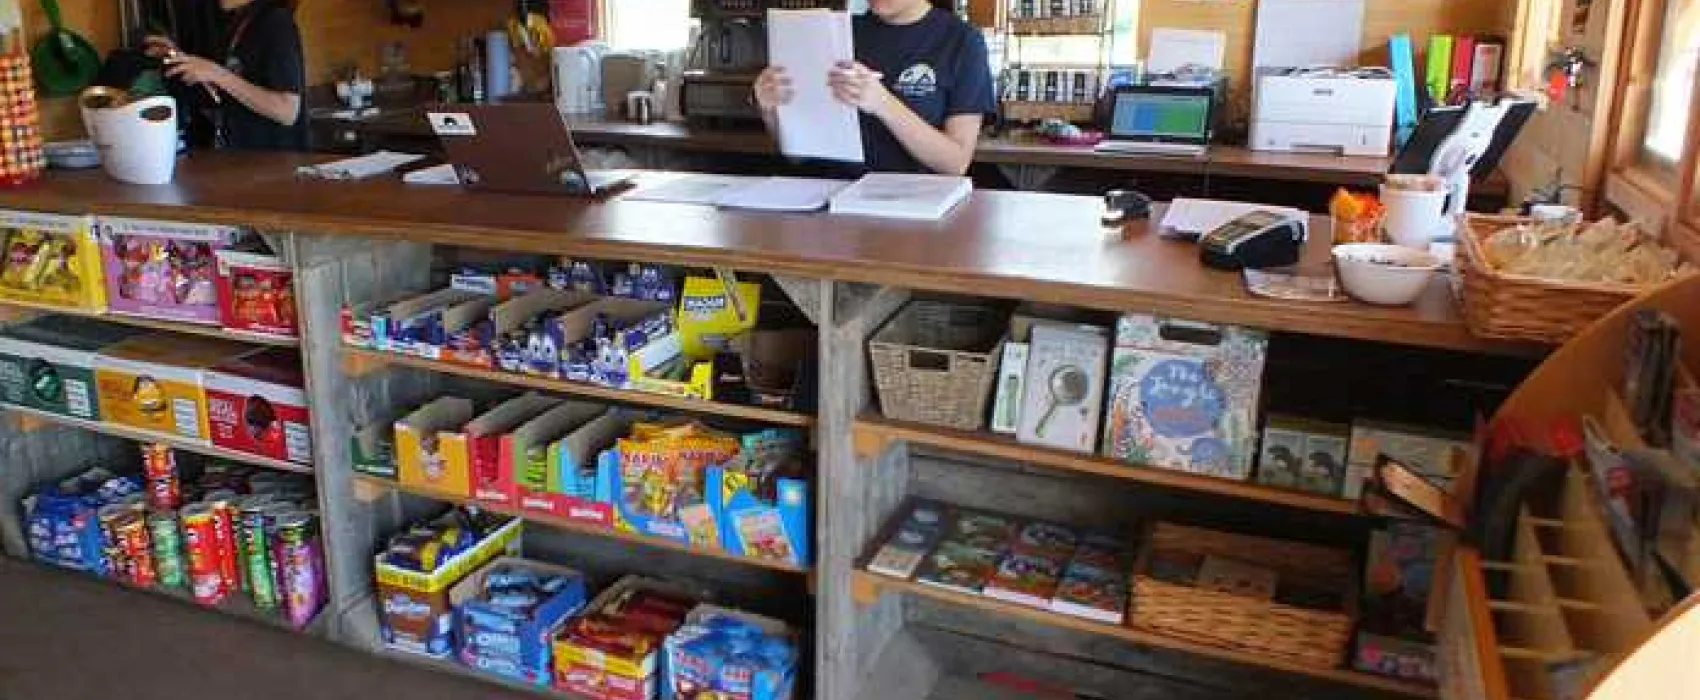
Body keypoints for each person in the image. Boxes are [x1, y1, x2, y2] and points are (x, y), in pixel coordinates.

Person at [754, 0, 994, 175]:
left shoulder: (961, 41)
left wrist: (883, 104)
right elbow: (799, 156)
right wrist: (771, 112)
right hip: (834, 200)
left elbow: (955, 163)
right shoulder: (839, 33)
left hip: (917, 207)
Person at [145, 0, 307, 151]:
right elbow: (224, 89)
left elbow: (287, 111)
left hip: (272, 162)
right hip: (237, 158)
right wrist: (178, 57)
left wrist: (218, 74)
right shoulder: (232, 22)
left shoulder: (277, 23)